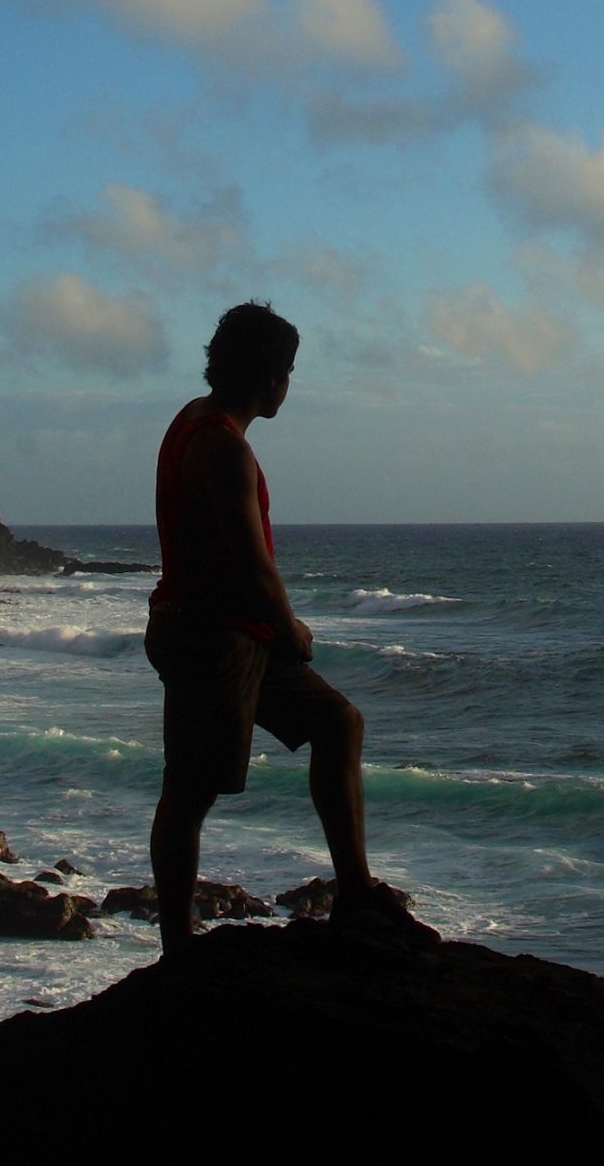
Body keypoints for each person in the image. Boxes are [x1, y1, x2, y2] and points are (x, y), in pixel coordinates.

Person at [143, 300, 410, 953]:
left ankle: (355, 893)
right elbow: (251, 560)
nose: (287, 384)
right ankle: (177, 945)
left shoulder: (193, 420)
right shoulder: (221, 447)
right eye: (286, 372)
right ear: (270, 379)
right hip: (213, 636)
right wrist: (287, 626)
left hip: (219, 631)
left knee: (337, 722)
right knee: (189, 788)